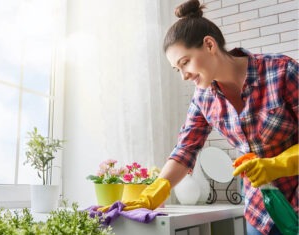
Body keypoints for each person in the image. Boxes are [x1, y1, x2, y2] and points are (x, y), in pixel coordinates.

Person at [100, 0, 298, 234]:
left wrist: (277, 165)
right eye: (178, 69)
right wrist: (155, 191)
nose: (184, 75)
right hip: (260, 211)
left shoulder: (281, 71)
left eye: (185, 63)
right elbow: (186, 150)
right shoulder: (203, 98)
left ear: (209, 44)